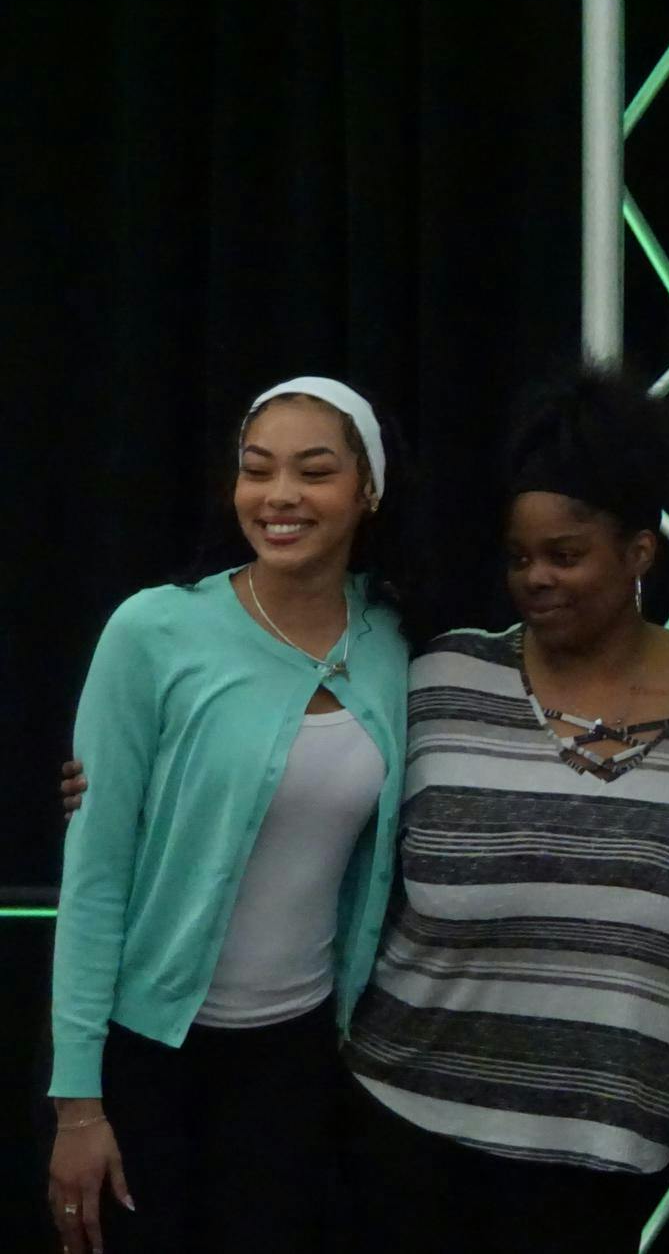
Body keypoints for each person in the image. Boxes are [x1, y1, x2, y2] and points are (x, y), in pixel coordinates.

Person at [333, 369, 669, 1253]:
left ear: (640, 552)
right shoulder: (444, 680)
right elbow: (304, 782)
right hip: (408, 1130)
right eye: (518, 556)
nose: (535, 578)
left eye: (565, 555)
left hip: (606, 1155)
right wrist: (126, 785)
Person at [48, 380, 412, 1254]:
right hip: (146, 1055)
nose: (279, 495)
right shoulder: (153, 630)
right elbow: (95, 877)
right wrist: (77, 1103)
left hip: (301, 1056)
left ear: (369, 489)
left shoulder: (397, 638)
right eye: (257, 470)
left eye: (314, 471)